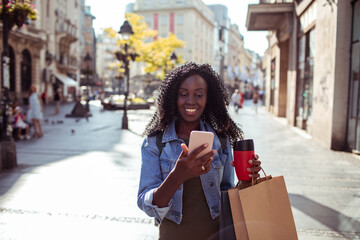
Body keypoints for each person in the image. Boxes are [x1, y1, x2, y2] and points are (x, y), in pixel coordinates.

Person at [137, 62, 261, 239]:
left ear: (208, 98)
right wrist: (178, 174)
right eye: (183, 94)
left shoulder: (221, 140)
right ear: (173, 96)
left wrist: (248, 178)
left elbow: (227, 193)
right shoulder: (155, 142)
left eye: (199, 94)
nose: (191, 101)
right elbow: (147, 204)